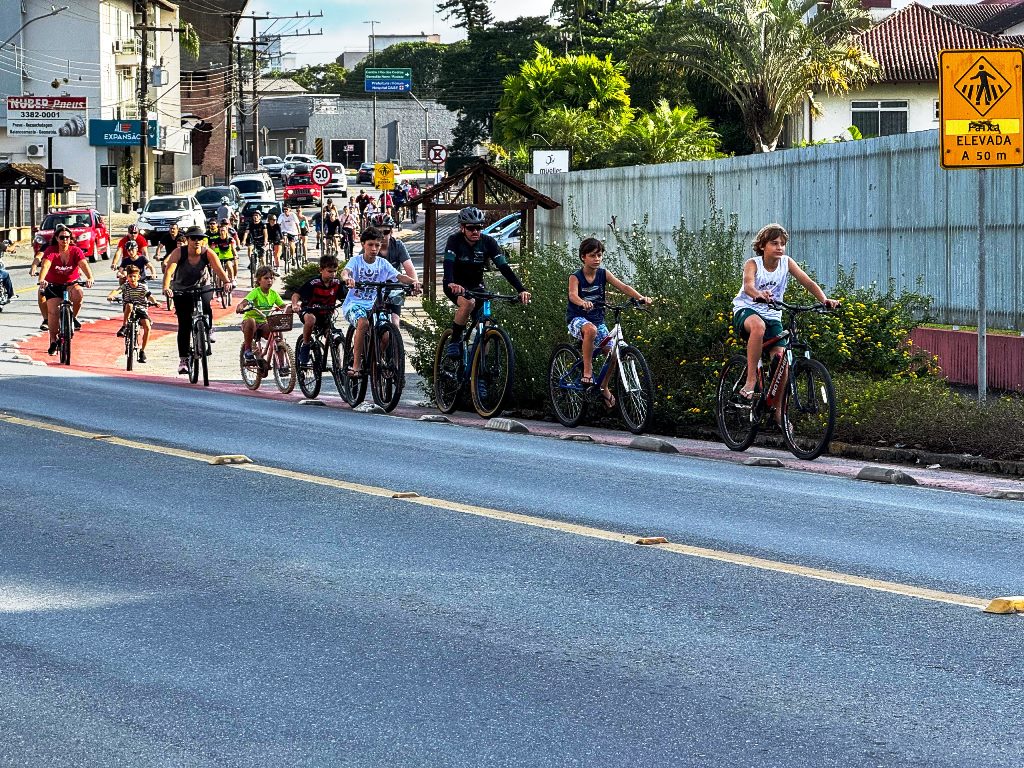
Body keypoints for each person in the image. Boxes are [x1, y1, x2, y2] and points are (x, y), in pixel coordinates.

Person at [732, 222, 839, 405]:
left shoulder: (786, 262)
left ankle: (778, 412)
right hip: (747, 309)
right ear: (762, 246)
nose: (779, 247)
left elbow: (808, 282)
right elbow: (748, 285)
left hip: (773, 314)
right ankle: (750, 380)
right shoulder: (753, 264)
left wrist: (825, 300)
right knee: (758, 326)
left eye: (782, 244)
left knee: (782, 363)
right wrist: (758, 294)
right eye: (774, 243)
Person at [568, 238, 652, 408]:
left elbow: (623, 287)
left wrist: (640, 297)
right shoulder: (575, 277)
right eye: (592, 255)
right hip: (577, 319)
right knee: (590, 330)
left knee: (613, 354)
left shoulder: (603, 274)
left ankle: (603, 387)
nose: (597, 259)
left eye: (599, 255)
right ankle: (587, 370)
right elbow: (572, 295)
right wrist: (582, 302)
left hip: (598, 320)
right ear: (583, 257)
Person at [443, 206, 531, 357]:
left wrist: (521, 289)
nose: (475, 231)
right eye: (471, 228)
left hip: (476, 286)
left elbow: (504, 267)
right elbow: (448, 263)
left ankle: (479, 367)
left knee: (485, 328)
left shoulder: (488, 242)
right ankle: (454, 341)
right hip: (455, 284)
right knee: (468, 303)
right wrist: (451, 282)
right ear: (462, 228)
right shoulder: (454, 240)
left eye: (478, 227)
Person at [340, 226, 420, 376]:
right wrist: (347, 279)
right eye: (370, 244)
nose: (374, 249)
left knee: (387, 334)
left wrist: (414, 282)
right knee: (363, 323)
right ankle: (356, 365)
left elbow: (399, 276)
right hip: (355, 304)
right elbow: (345, 272)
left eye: (377, 245)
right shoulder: (355, 261)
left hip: (375, 305)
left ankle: (374, 359)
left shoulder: (383, 263)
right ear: (363, 244)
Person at [163, 225, 232, 375]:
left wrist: (227, 282)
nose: (197, 241)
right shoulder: (179, 252)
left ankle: (209, 328)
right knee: (184, 324)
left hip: (202, 286)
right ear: (187, 239)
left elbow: (218, 268)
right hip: (182, 289)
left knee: (206, 304)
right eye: (193, 238)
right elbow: (169, 271)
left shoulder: (207, 253)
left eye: (200, 238)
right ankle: (183, 360)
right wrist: (166, 287)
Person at [37, 224, 94, 354]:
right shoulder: (51, 250)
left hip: (70, 284)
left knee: (79, 293)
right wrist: (42, 279)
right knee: (53, 312)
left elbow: (83, 264)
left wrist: (90, 277)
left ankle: (73, 318)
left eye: (67, 237)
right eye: (62, 237)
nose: (65, 240)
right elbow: (45, 265)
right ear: (57, 238)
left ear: (70, 238)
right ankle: (53, 340)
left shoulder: (76, 251)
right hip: (53, 285)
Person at [291, 253, 346, 367]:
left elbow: (344, 297)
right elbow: (296, 294)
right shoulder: (314, 283)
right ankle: (305, 345)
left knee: (332, 335)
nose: (333, 274)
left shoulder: (337, 283)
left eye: (335, 271)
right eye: (329, 271)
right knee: (311, 320)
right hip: (309, 311)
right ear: (321, 270)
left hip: (326, 314)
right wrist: (295, 305)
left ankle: (338, 363)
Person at [237, 264, 290, 364]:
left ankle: (281, 362)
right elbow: (246, 301)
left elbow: (283, 305)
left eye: (271, 278)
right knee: (251, 321)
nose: (269, 280)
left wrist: (291, 307)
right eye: (266, 278)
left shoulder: (273, 294)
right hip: (250, 324)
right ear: (259, 280)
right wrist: (241, 306)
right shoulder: (256, 292)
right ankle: (248, 350)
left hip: (264, 323)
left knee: (277, 330)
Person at [374, 214, 418, 327]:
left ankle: (395, 337)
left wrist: (414, 284)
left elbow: (409, 268)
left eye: (386, 232)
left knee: (395, 322)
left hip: (394, 288)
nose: (382, 236)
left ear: (391, 231)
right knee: (370, 321)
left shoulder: (398, 245)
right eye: (378, 232)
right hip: (374, 289)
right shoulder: (369, 248)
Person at [107, 265, 156, 363]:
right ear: (127, 277)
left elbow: (149, 296)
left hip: (141, 309)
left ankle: (142, 351)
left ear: (138, 277)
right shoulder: (125, 286)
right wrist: (111, 296)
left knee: (147, 327)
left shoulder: (142, 287)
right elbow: (117, 291)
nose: (132, 279)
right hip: (128, 309)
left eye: (134, 276)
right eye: (130, 276)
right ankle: (124, 327)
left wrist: (155, 302)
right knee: (129, 305)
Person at [0, 239, 15, 306]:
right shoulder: (1, 245)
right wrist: (14, 244)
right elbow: (10, 249)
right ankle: (10, 295)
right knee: (6, 275)